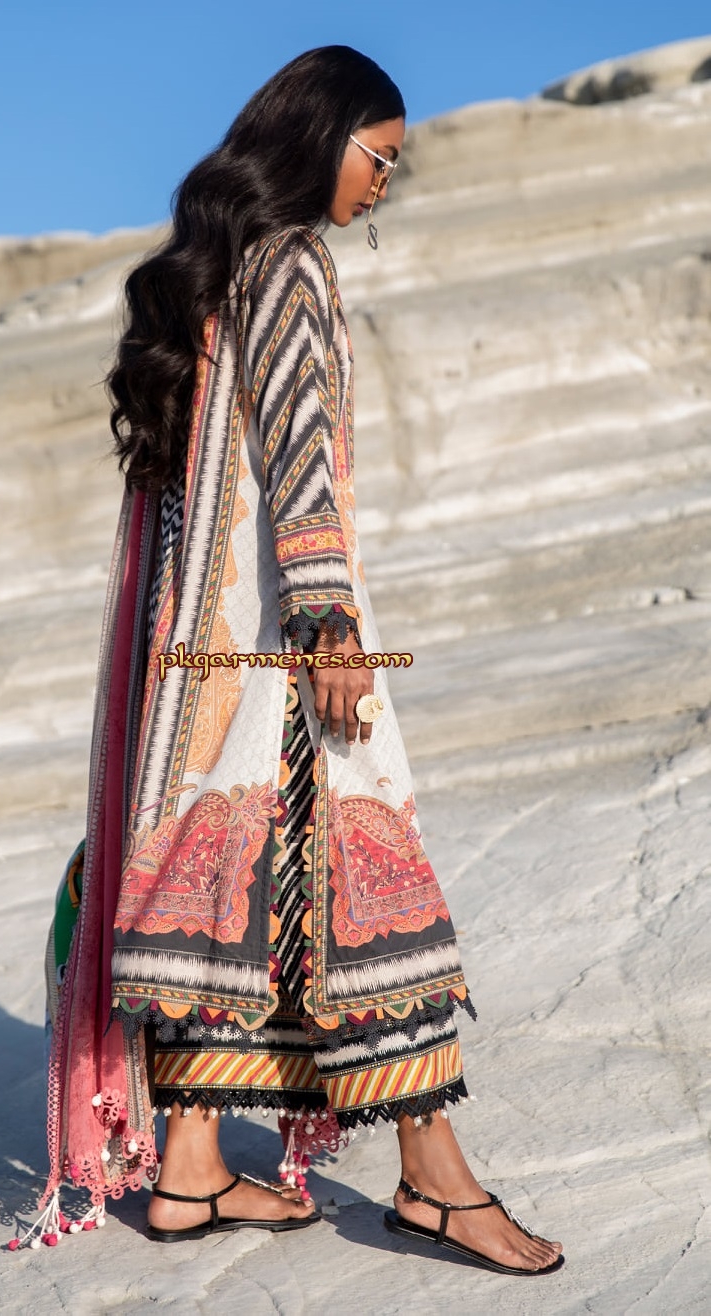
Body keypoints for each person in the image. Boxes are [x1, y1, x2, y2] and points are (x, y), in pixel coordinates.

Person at [42, 45, 563, 1277]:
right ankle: (435, 1180)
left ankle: (189, 1170)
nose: (387, 180)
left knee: (222, 888)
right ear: (319, 134)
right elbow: (301, 451)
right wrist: (331, 620)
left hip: (201, 657)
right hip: (284, 637)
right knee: (363, 880)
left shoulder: (218, 269)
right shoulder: (289, 263)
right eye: (379, 154)